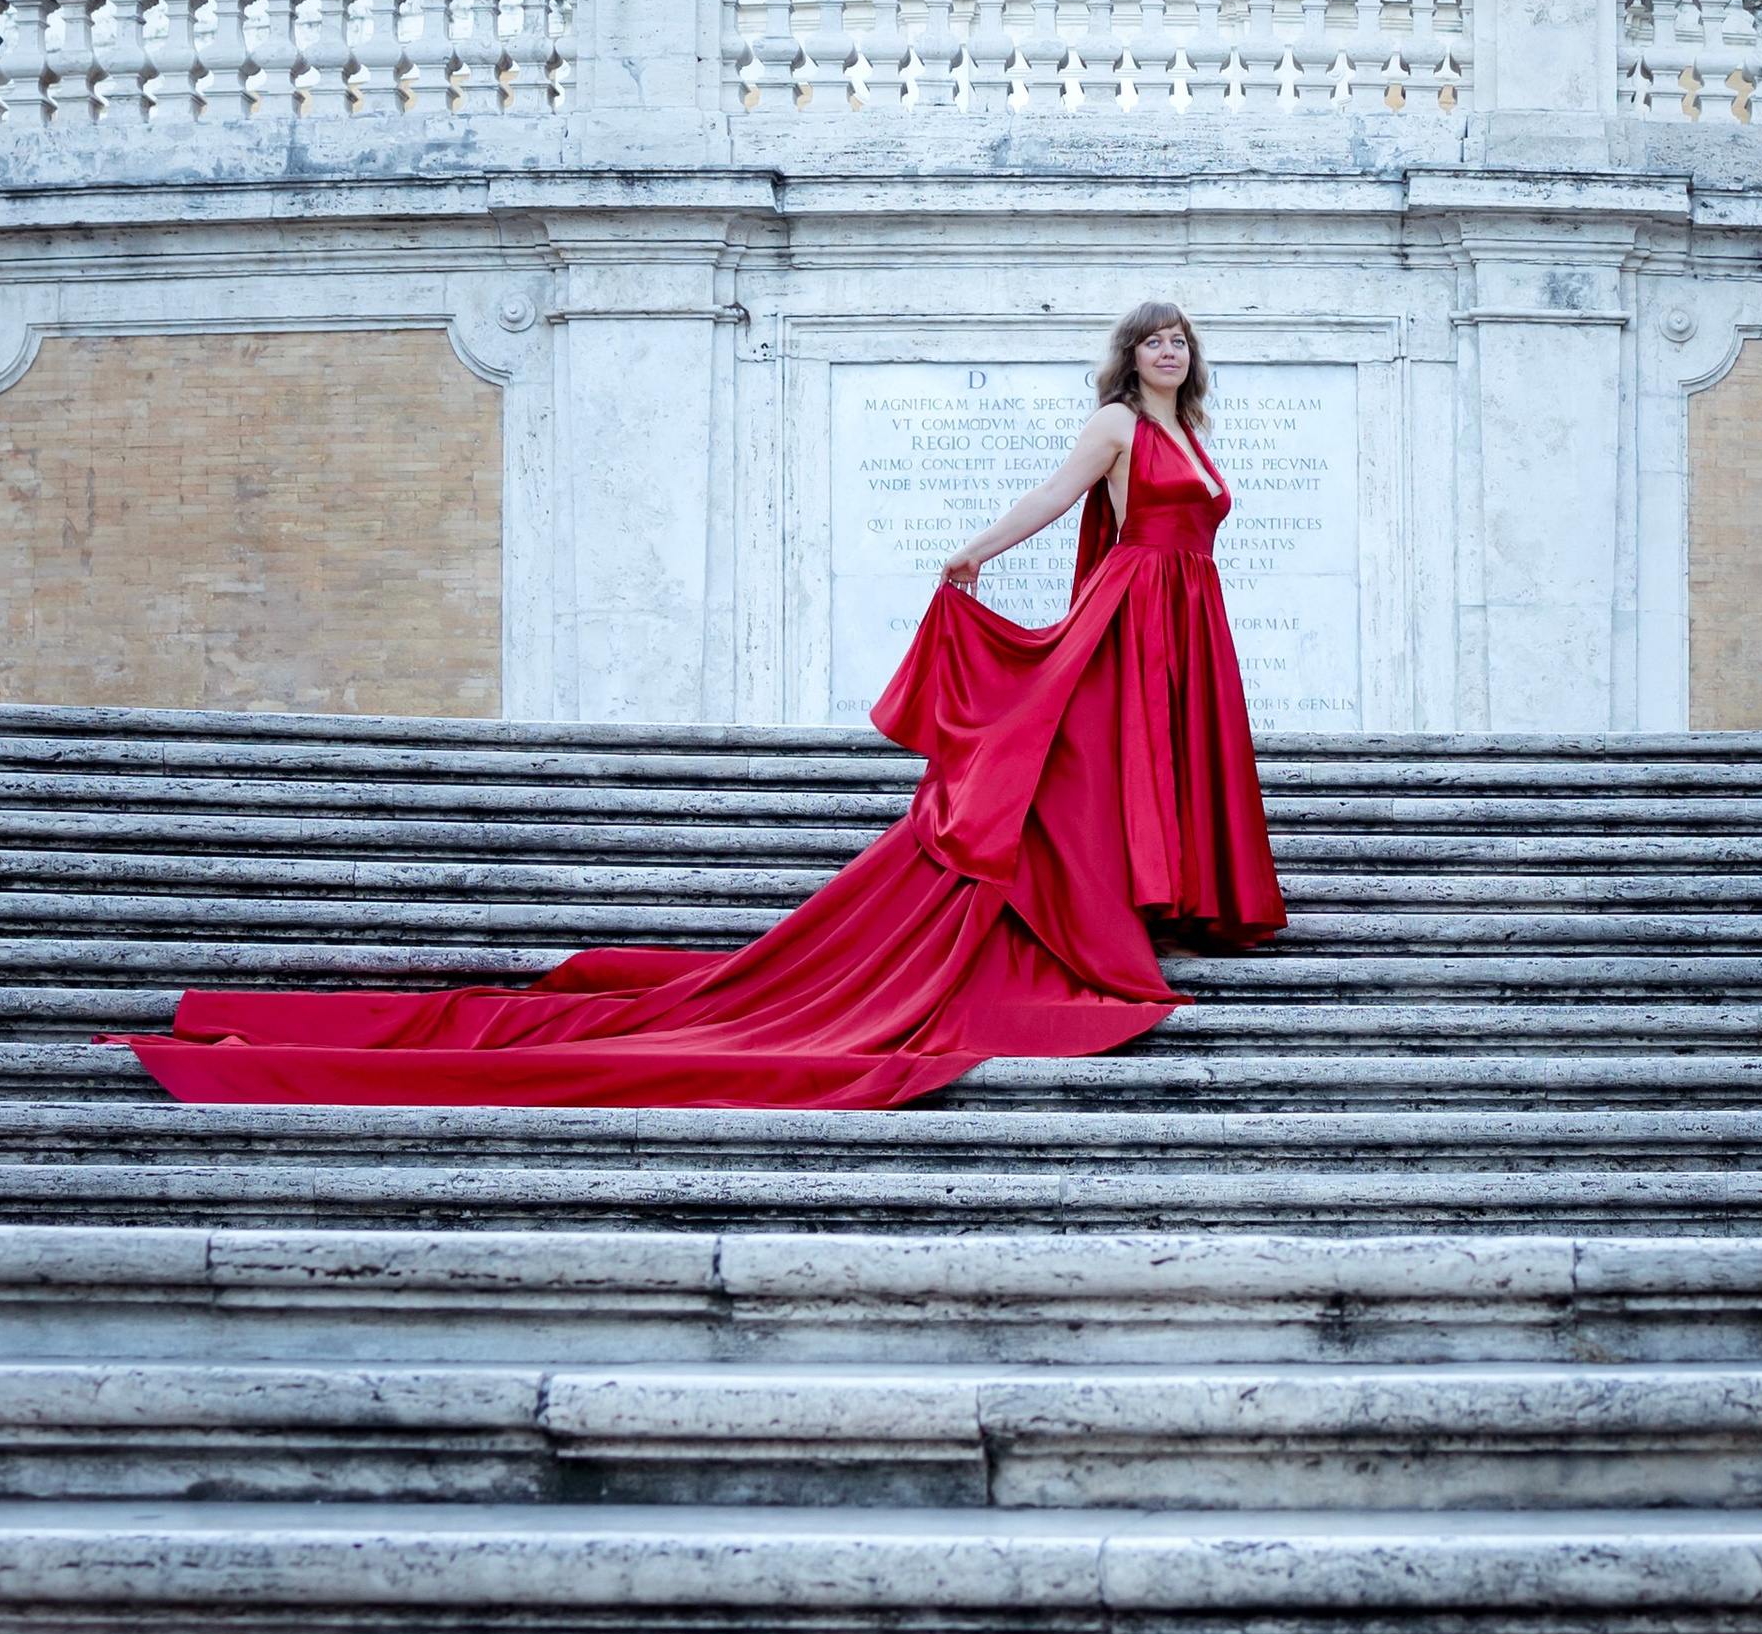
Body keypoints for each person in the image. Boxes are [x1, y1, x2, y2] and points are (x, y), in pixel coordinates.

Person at [116, 301, 1284, 1112]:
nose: (1170, 353)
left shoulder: (1195, 429)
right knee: (1067, 776)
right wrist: (972, 552)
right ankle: (1102, 924)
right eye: (1154, 341)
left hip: (1190, 621)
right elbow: (1053, 501)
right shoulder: (1118, 428)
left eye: (1181, 340)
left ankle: (1165, 898)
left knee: (1149, 767)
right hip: (1133, 616)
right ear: (1127, 358)